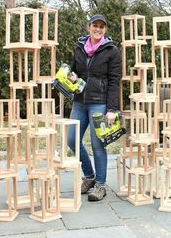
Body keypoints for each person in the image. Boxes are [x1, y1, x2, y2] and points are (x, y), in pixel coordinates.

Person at [67, 14, 121, 201]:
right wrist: (71, 77)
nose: (98, 29)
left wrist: (112, 109)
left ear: (105, 30)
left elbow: (115, 81)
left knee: (98, 145)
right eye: (95, 25)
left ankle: (100, 184)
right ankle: (89, 176)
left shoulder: (111, 50)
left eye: (101, 27)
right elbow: (74, 71)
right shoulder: (79, 47)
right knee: (71, 139)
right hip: (80, 101)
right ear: (89, 27)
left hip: (99, 102)